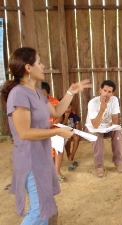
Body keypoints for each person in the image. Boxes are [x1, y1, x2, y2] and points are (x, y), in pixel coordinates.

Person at [0, 47, 91, 224]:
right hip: (29, 159)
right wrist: (57, 131)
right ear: (28, 68)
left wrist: (71, 92)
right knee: (38, 210)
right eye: (39, 62)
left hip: (41, 156)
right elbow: (24, 133)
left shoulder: (37, 92)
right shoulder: (18, 94)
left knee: (46, 208)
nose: (43, 66)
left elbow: (56, 112)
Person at [85, 80, 122, 178]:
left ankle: (118, 161)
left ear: (113, 93)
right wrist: (102, 109)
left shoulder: (114, 100)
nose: (106, 94)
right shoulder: (93, 103)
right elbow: (95, 125)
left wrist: (110, 126)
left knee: (117, 131)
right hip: (92, 128)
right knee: (97, 136)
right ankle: (99, 165)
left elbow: (115, 119)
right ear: (100, 91)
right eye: (105, 90)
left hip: (107, 127)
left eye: (109, 92)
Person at [41, 81, 66, 182]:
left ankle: (57, 171)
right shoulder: (31, 103)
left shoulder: (54, 101)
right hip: (38, 131)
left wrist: (49, 125)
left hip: (53, 129)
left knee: (59, 142)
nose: (42, 97)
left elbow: (59, 118)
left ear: (48, 93)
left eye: (44, 94)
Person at [62, 103, 81, 171]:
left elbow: (77, 123)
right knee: (68, 138)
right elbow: (61, 126)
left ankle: (72, 154)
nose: (67, 108)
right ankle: (68, 154)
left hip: (73, 130)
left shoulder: (73, 114)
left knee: (77, 137)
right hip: (64, 131)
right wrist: (66, 116)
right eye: (65, 107)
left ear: (71, 107)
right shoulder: (61, 115)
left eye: (69, 107)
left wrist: (78, 132)